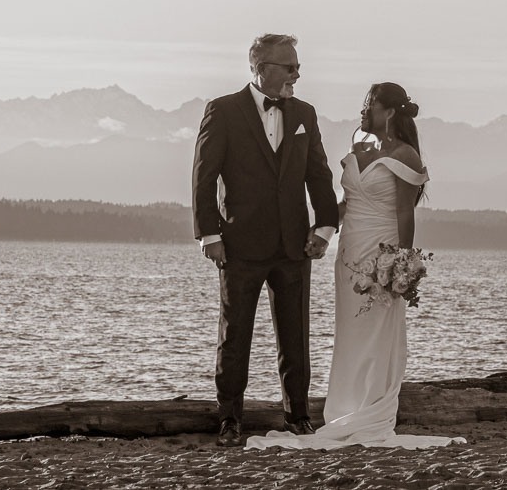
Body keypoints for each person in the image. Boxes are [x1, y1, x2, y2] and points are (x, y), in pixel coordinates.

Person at [245, 82, 465, 450]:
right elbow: (346, 203)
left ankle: (371, 413)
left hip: (382, 251)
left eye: (370, 105)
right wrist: (323, 234)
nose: (363, 111)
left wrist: (401, 263)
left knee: (377, 333)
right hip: (349, 252)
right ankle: (344, 410)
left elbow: (404, 214)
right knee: (349, 332)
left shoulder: (406, 155)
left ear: (389, 111)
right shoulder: (358, 143)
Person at [192, 33, 340, 447]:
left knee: (295, 335)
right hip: (238, 244)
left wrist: (324, 228)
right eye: (289, 66)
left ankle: (298, 415)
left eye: (298, 66)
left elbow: (319, 174)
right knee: (234, 334)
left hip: (294, 245)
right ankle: (229, 419)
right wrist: (209, 233)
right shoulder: (222, 111)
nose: (296, 73)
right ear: (261, 69)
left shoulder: (305, 114)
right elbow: (203, 177)